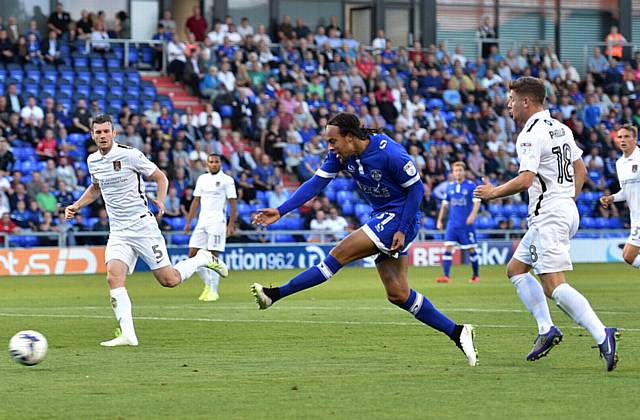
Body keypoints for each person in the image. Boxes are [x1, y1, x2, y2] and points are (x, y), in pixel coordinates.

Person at [251, 112, 478, 366]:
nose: (330, 146)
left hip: (402, 216)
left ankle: (275, 294)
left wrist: (402, 229)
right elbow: (315, 183)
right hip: (382, 215)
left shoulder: (388, 152)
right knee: (398, 294)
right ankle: (457, 332)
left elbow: (416, 189)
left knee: (337, 255)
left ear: (349, 137)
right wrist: (281, 210)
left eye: (332, 141)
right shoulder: (340, 155)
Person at [474, 77, 619, 371]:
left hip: (549, 215)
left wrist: (493, 193)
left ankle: (601, 332)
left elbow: (525, 179)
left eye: (512, 99)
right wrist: (567, 198)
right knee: (515, 269)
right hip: (562, 209)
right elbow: (580, 168)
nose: (509, 105)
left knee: (554, 286)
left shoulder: (530, 134)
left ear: (527, 101)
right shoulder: (561, 127)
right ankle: (546, 329)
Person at [64, 114, 228, 347]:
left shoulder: (130, 154)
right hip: (118, 231)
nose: (102, 136)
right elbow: (95, 187)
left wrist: (161, 201)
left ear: (114, 133)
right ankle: (128, 334)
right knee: (113, 276)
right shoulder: (93, 161)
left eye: (105, 131)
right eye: (97, 132)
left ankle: (202, 258)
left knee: (169, 280)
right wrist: (76, 205)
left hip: (143, 227)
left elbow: (160, 177)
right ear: (92, 134)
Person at [184, 154, 237, 302]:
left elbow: (233, 203)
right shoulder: (202, 179)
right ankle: (208, 285)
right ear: (207, 164)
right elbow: (196, 200)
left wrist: (230, 224)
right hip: (202, 222)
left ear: (220, 163)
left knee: (213, 257)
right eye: (211, 162)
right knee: (193, 255)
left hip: (218, 222)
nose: (214, 164)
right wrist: (188, 222)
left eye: (216, 162)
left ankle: (214, 291)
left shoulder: (227, 180)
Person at [601, 125, 640, 269]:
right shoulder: (619, 163)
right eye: (620, 137)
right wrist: (611, 198)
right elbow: (625, 191)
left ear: (635, 139)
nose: (622, 140)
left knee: (629, 255)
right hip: (635, 217)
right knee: (627, 257)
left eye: (627, 136)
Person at [435, 161, 481, 283]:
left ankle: (476, 275)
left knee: (471, 249)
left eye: (460, 170)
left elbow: (477, 202)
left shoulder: (471, 186)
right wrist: (439, 220)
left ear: (464, 172)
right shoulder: (449, 187)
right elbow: (444, 205)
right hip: (452, 224)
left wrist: (472, 216)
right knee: (448, 248)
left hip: (466, 225)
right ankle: (446, 276)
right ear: (453, 173)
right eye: (456, 170)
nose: (458, 172)